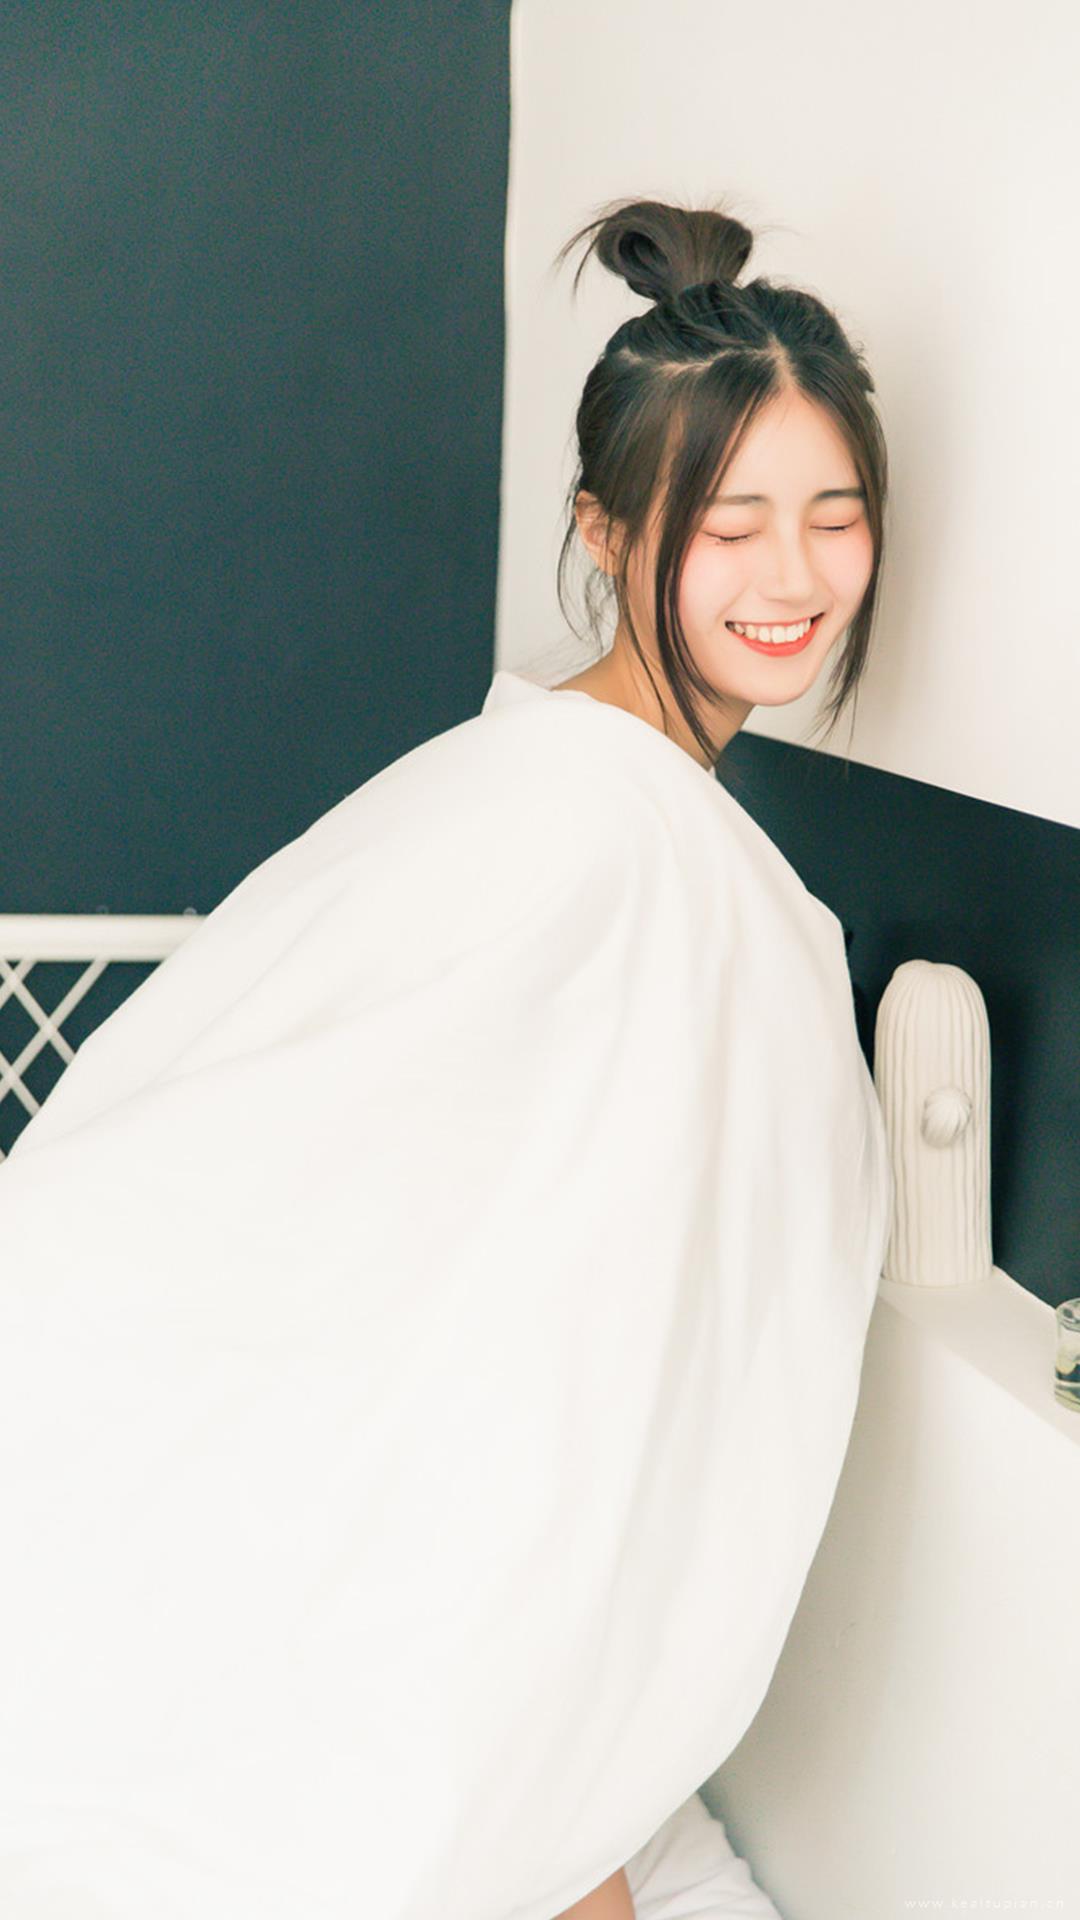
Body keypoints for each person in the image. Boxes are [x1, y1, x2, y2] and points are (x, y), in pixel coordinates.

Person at [0, 196, 892, 1920]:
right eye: (729, 526)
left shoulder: (590, 792)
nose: (791, 578)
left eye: (834, 517)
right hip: (450, 1539)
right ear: (607, 530)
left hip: (502, 1553)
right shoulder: (585, 825)